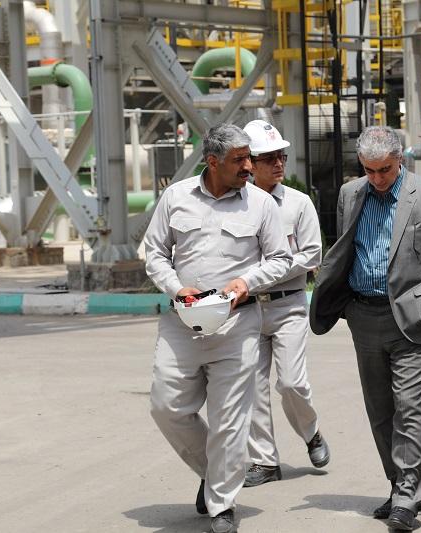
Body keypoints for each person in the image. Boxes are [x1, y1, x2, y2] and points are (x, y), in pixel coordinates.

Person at [144, 123, 292, 533]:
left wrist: (247, 282)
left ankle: (222, 504)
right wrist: (177, 287)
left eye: (249, 158)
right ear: (212, 161)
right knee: (166, 406)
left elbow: (281, 259)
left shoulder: (261, 204)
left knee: (229, 420)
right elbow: (154, 253)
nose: (249, 166)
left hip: (236, 325)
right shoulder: (176, 197)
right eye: (239, 160)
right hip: (183, 322)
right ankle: (213, 472)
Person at [309, 126, 421, 531]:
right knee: (379, 410)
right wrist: (346, 306)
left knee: (408, 408)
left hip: (411, 319)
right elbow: (346, 247)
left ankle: (408, 496)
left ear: (400, 160)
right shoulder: (350, 194)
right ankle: (396, 485)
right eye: (369, 170)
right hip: (363, 315)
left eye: (385, 170)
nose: (376, 178)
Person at [241, 119, 329, 487]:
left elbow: (311, 254)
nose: (278, 163)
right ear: (249, 163)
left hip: (287, 305)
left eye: (281, 156)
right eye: (269, 158)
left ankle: (311, 433)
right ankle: (264, 462)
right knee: (250, 386)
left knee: (292, 383)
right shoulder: (236, 204)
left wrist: (262, 274)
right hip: (245, 308)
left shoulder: (298, 203)